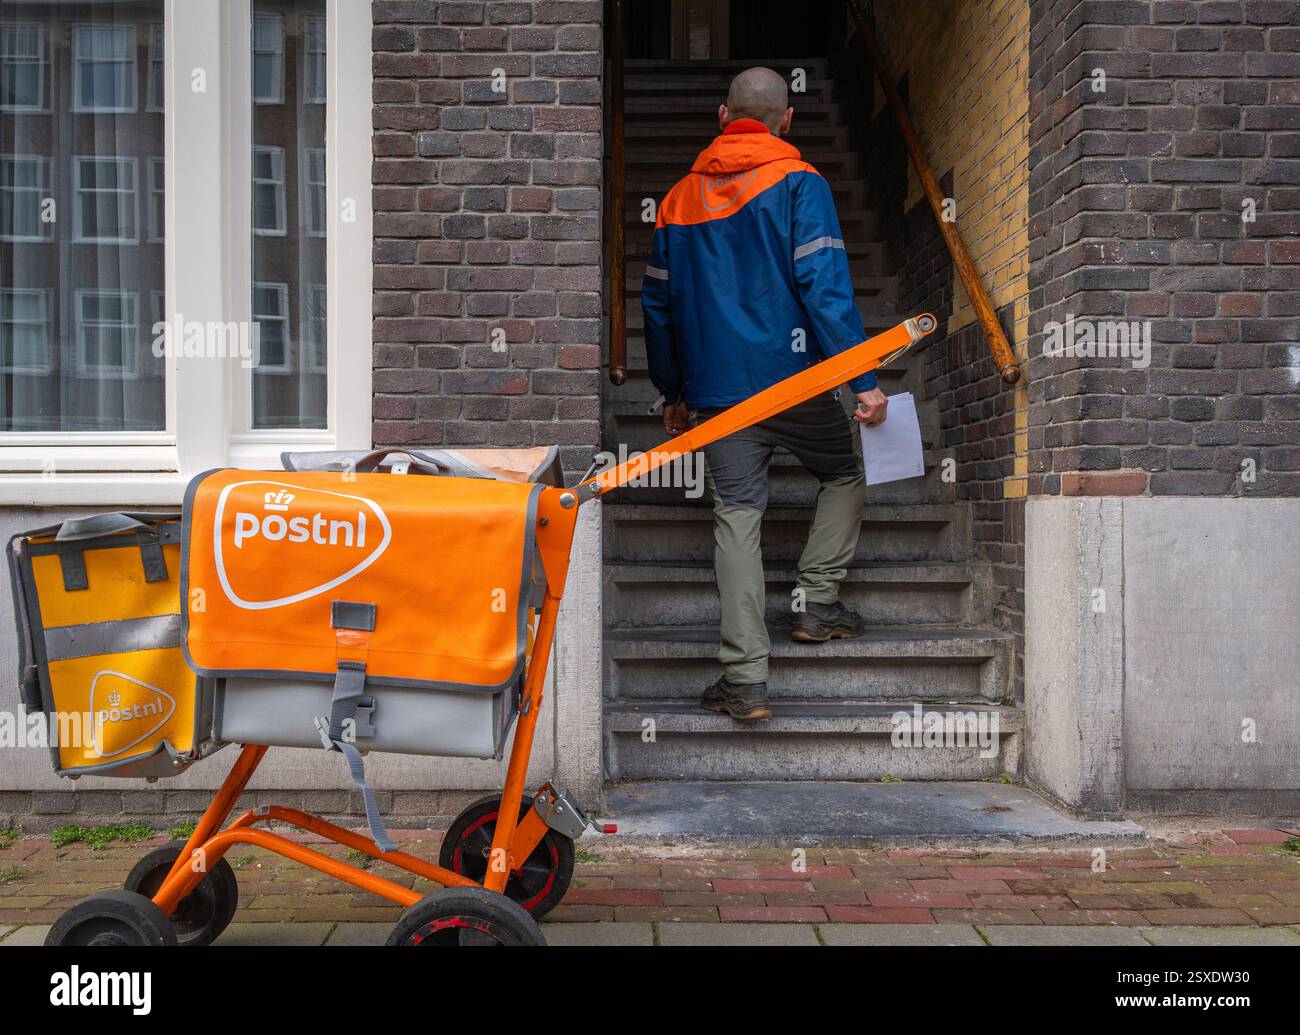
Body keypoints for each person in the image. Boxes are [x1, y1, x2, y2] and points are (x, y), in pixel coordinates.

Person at [641, 66, 888, 722]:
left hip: (721, 397)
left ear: (722, 117)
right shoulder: (801, 183)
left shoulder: (674, 201)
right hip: (800, 382)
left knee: (737, 517)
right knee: (845, 471)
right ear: (788, 121)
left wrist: (672, 391)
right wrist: (863, 381)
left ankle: (746, 680)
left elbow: (659, 307)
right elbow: (826, 290)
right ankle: (816, 602)